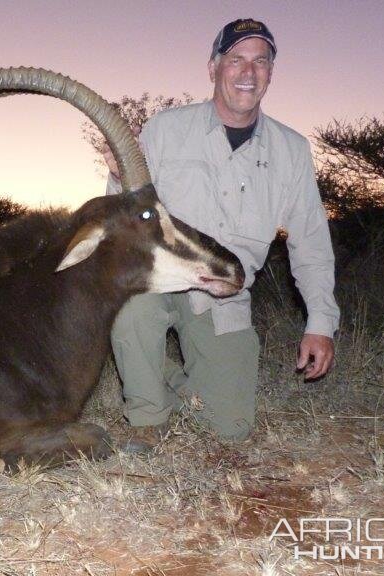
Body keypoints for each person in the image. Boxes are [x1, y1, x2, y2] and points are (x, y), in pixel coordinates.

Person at [104, 18, 339, 443]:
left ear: (271, 73)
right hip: (156, 281)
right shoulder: (164, 129)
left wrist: (320, 322)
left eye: (260, 61)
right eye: (236, 60)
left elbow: (310, 240)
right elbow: (124, 214)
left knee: (229, 429)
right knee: (131, 309)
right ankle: (146, 418)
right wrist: (122, 179)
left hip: (223, 294)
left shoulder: (291, 149)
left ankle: (172, 382)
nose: (248, 73)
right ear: (214, 67)